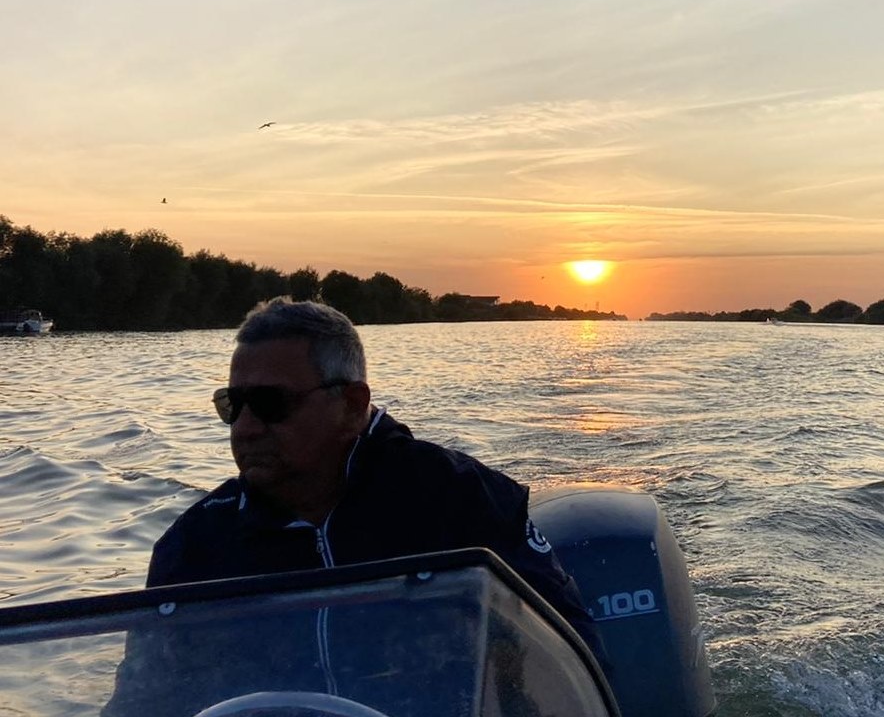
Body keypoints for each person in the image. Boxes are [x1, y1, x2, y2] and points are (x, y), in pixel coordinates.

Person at [107, 297, 606, 715]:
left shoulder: (463, 501)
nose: (246, 427)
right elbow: (141, 701)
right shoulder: (194, 547)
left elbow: (573, 661)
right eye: (232, 405)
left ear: (351, 403)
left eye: (271, 404)